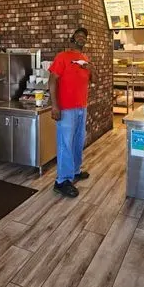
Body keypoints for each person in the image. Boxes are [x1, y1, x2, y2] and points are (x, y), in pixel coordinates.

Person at [48, 27, 97, 197]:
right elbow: (52, 80)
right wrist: (55, 106)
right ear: (73, 38)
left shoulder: (85, 59)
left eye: (84, 36)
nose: (82, 38)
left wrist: (92, 69)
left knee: (77, 141)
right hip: (66, 108)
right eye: (79, 35)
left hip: (81, 107)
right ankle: (62, 181)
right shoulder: (62, 57)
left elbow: (93, 80)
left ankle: (75, 170)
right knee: (65, 144)